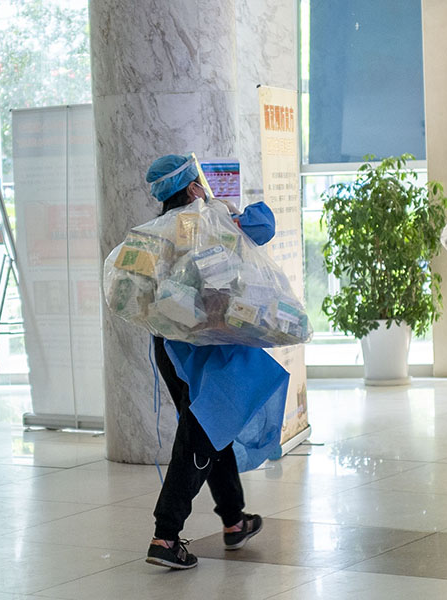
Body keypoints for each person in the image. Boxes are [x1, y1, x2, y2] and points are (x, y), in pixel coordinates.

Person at [143, 154, 288, 569]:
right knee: (200, 436)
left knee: (210, 428)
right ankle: (166, 536)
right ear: (191, 187)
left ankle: (233, 519)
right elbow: (264, 226)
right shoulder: (210, 221)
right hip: (211, 349)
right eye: (199, 183)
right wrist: (228, 212)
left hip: (170, 348)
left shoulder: (158, 232)